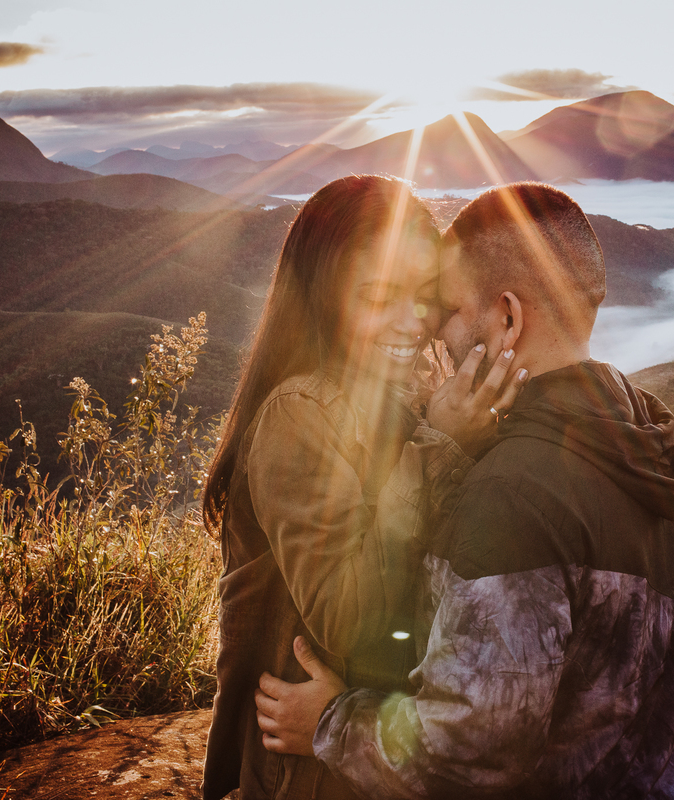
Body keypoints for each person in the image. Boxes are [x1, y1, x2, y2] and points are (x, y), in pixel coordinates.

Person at [255, 182, 674, 799]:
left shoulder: (513, 493)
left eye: (443, 306)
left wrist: (333, 723)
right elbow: (668, 685)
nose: (432, 330)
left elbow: (466, 750)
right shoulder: (655, 448)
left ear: (507, 318)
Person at [199, 174, 525, 800]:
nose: (413, 321)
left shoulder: (393, 398)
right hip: (304, 775)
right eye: (379, 296)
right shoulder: (298, 416)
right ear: (322, 297)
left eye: (424, 296)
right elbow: (350, 618)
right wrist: (444, 444)